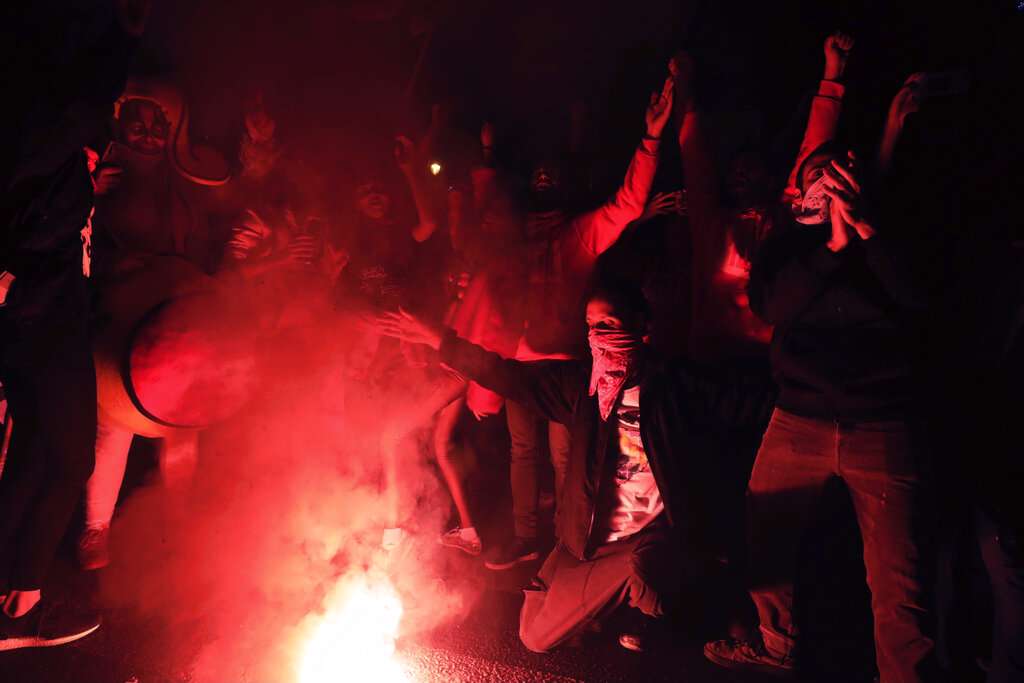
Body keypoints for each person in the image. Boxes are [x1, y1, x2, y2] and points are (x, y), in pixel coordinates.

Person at [376, 275, 775, 652]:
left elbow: (758, 405)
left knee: (645, 573)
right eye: (590, 324)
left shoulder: (680, 388)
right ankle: (619, 595)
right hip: (590, 542)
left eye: (608, 323)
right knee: (534, 635)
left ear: (641, 326)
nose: (598, 334)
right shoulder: (581, 388)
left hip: (652, 540)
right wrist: (440, 340)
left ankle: (670, 606)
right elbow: (508, 375)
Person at [702, 144, 941, 681]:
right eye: (818, 176)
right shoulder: (788, 243)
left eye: (838, 176)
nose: (827, 187)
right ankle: (778, 644)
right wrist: (833, 245)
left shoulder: (895, 232)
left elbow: (920, 299)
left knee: (900, 583)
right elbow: (771, 307)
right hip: (798, 419)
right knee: (766, 542)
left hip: (883, 425)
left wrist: (866, 230)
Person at [486, 68, 675, 571]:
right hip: (520, 365)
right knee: (522, 452)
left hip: (569, 367)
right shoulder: (514, 245)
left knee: (568, 461)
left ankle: (564, 550)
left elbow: (626, 204)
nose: (544, 186)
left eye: (552, 181)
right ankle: (527, 538)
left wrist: (651, 139)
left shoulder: (579, 236)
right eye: (537, 181)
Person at [0, 0, 145, 650]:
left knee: (42, 450)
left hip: (47, 306)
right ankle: (20, 600)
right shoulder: (41, 124)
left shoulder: (53, 135)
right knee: (66, 453)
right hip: (37, 309)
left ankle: (15, 593)